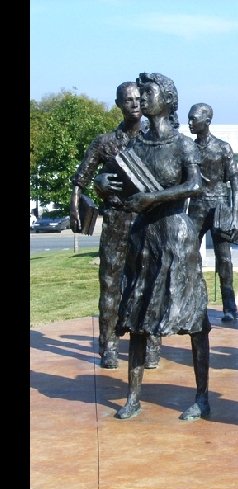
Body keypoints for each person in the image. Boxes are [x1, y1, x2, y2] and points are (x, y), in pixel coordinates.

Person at [105, 72, 211, 421]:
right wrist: (107, 184)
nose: (143, 97)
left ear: (167, 100)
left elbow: (196, 184)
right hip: (144, 239)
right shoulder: (134, 147)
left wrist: (155, 197)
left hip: (177, 237)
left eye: (149, 92)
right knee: (137, 314)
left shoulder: (183, 144)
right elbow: (125, 187)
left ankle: (201, 397)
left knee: (194, 319)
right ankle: (133, 396)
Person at [70, 82, 161, 370]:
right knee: (110, 283)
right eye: (128, 100)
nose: (134, 104)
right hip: (116, 219)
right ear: (118, 104)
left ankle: (150, 343)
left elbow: (173, 178)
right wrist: (95, 186)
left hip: (148, 221)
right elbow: (80, 179)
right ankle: (108, 344)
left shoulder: (156, 139)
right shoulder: (105, 142)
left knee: (147, 282)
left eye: (138, 99)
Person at [187, 103, 238, 322]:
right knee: (189, 255)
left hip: (220, 206)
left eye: (194, 119)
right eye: (189, 119)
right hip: (197, 206)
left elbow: (235, 183)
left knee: (224, 259)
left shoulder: (222, 147)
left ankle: (230, 306)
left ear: (207, 121)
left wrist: (236, 215)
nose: (190, 123)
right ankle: (194, 301)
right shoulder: (187, 148)